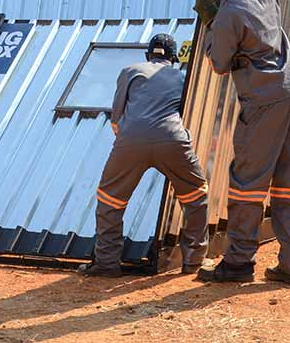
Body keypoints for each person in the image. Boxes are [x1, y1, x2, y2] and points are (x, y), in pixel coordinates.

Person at [186, 0, 290, 287]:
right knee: (289, 183)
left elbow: (219, 64)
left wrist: (208, 21)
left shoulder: (229, 15)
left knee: (247, 183)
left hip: (263, 103)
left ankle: (237, 263)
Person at [79, 33, 210, 278]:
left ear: (148, 55)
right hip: (172, 139)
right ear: (173, 58)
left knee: (110, 201)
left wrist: (128, 143)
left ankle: (107, 264)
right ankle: (193, 261)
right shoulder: (183, 77)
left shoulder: (130, 71)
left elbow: (116, 117)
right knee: (196, 195)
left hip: (130, 141)